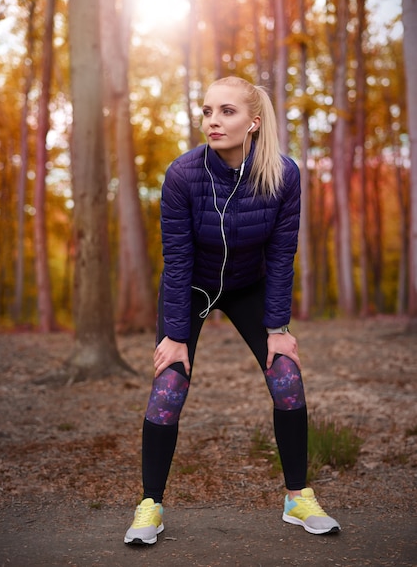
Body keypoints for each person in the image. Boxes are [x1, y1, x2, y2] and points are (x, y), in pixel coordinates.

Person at [124, 76, 341, 545]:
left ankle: (297, 497)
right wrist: (175, 335)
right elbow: (177, 260)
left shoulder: (283, 175)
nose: (213, 122)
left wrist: (278, 327)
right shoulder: (183, 175)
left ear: (254, 122)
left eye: (227, 112)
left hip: (249, 286)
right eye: (207, 112)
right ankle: (150, 506)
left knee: (286, 375)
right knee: (168, 383)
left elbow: (283, 255)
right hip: (192, 287)